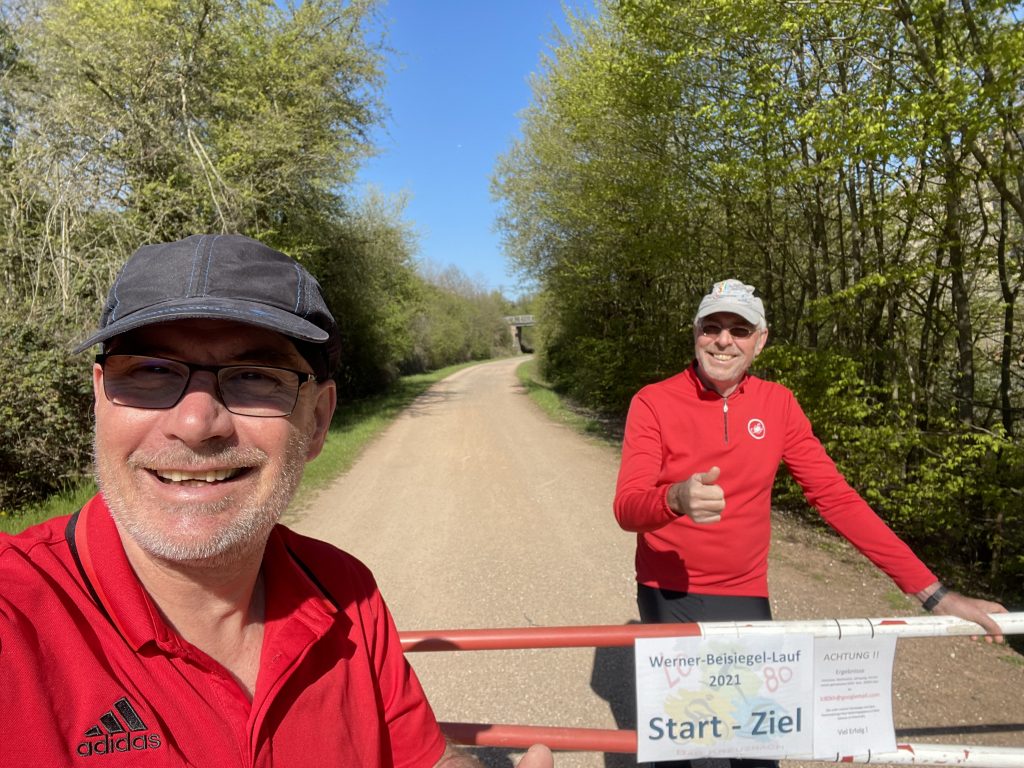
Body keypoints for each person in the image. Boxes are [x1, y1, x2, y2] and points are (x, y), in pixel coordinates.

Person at [0, 234, 553, 768]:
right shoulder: (15, 615)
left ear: (317, 420)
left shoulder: (345, 592)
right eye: (150, 371)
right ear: (99, 399)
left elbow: (422, 756)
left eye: (254, 377)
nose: (196, 423)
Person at [613, 278, 1007, 767]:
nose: (723, 340)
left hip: (744, 590)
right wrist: (675, 497)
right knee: (683, 740)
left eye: (739, 329)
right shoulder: (653, 401)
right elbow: (628, 507)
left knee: (756, 747)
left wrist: (935, 593)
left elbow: (836, 499)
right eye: (711, 327)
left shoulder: (779, 404)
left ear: (761, 340)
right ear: (695, 333)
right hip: (668, 591)